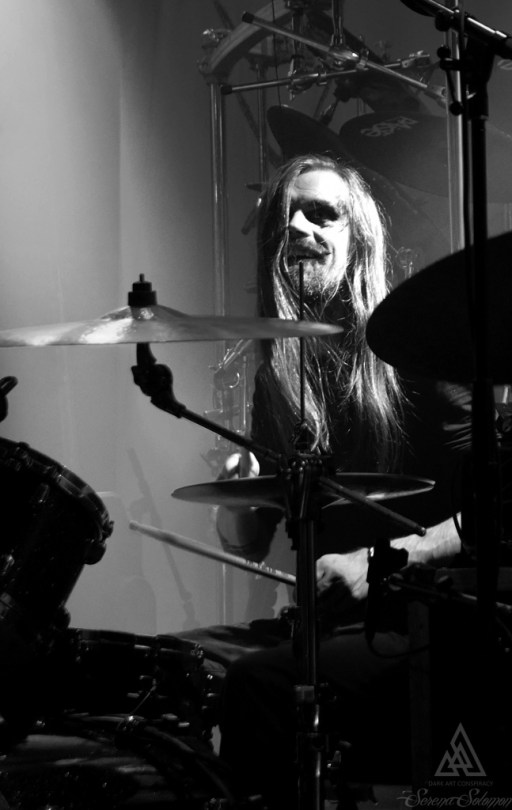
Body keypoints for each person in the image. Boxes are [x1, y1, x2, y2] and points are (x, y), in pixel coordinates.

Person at [178, 154, 473, 808]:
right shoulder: (278, 375)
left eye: (321, 214)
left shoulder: (418, 351)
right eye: (286, 218)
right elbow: (250, 540)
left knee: (258, 685)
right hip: (326, 629)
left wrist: (378, 562)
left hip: (421, 626)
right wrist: (235, 496)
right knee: (177, 668)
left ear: (359, 238)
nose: (297, 228)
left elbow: (493, 512)